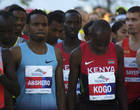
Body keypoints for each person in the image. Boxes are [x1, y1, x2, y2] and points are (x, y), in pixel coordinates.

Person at [11, 9, 65, 110]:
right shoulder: (16, 52)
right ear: (27, 27)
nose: (40, 28)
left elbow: (60, 89)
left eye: (44, 25)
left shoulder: (56, 53)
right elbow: (8, 89)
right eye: (36, 24)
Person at [68, 20, 128, 110]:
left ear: (110, 37)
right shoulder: (77, 54)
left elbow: (121, 84)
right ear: (90, 37)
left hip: (111, 106)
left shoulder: (117, 51)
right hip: (87, 105)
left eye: (106, 43)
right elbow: (71, 90)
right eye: (99, 44)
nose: (103, 47)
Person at [117, 6, 140, 110]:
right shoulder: (119, 46)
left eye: (134, 20)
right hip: (125, 102)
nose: (129, 23)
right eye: (127, 20)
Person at [56, 9, 83, 94]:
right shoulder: (54, 50)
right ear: (62, 24)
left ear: (81, 25)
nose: (72, 26)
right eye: (69, 22)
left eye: (76, 23)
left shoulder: (88, 48)